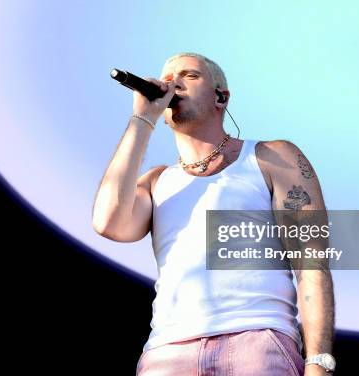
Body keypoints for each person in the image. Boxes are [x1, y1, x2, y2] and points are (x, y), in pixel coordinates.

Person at [93, 53, 335, 375]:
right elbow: (108, 222)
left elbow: (311, 262)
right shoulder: (156, 182)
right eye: (167, 78)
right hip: (168, 351)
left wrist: (318, 361)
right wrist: (142, 119)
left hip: (257, 342)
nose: (172, 83)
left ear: (220, 96)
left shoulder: (273, 158)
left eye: (189, 75)